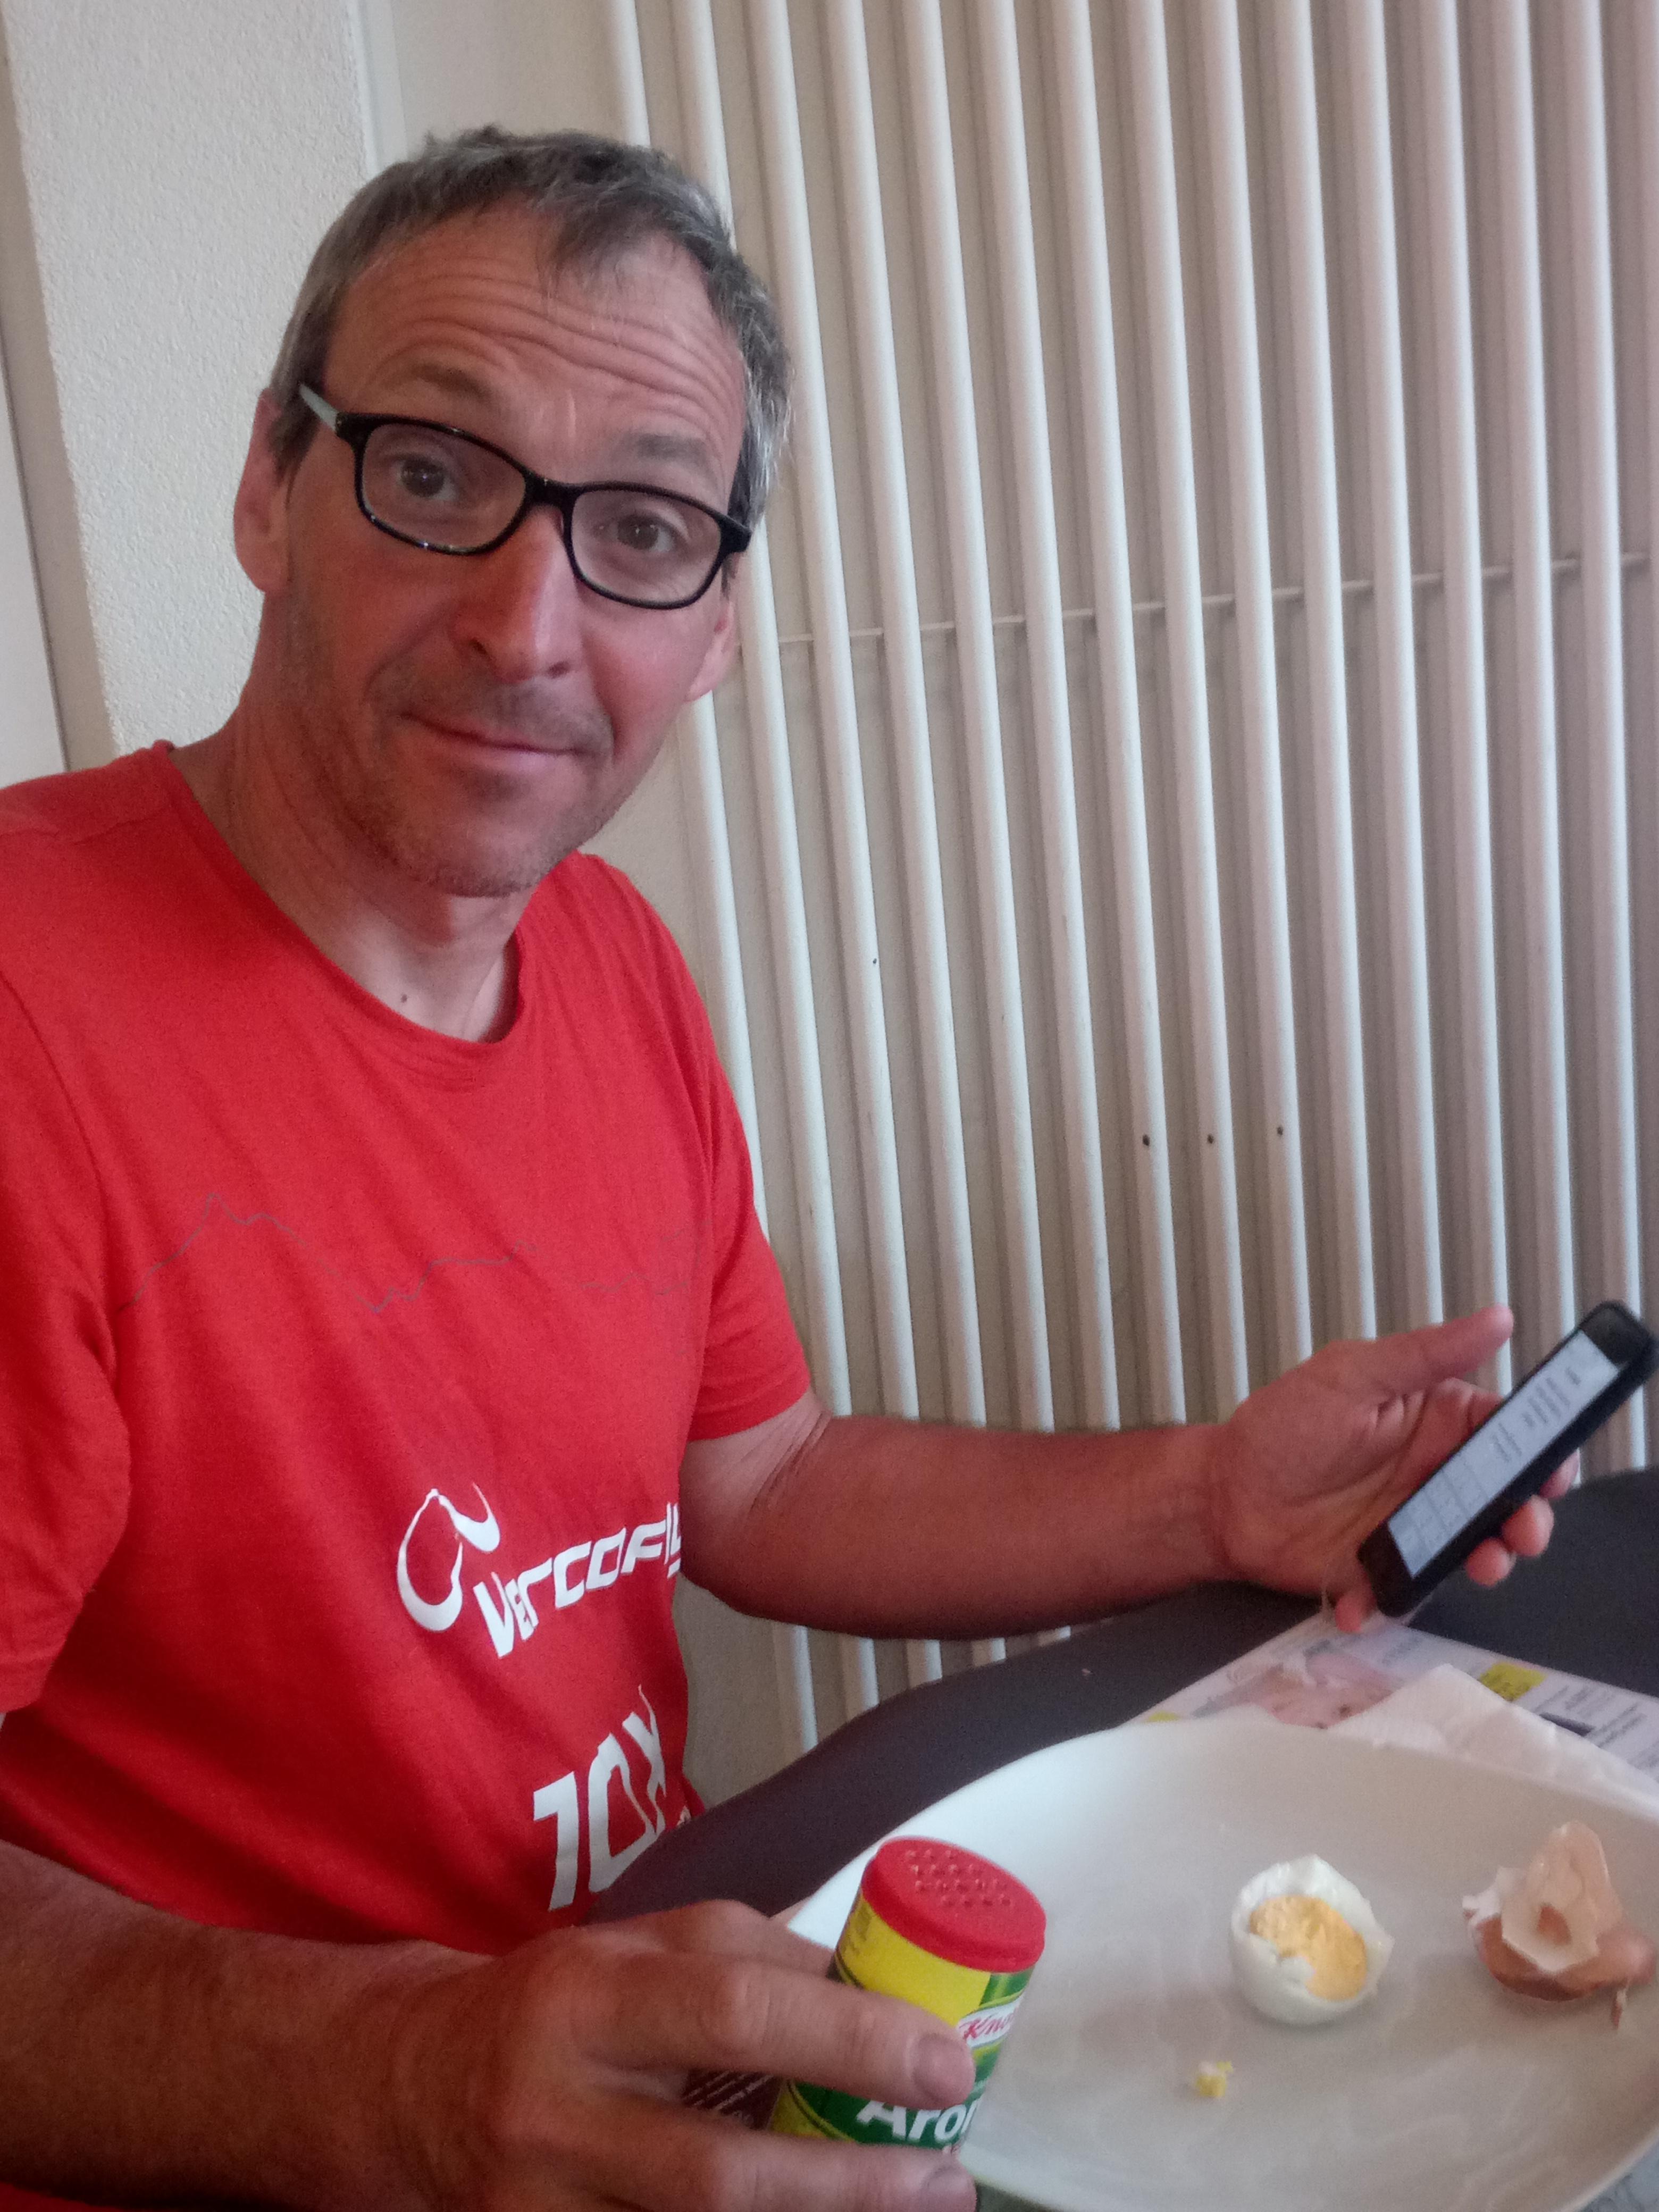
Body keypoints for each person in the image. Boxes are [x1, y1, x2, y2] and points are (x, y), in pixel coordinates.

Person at [0, 128, 1564, 2212]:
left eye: (642, 528)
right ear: (269, 485)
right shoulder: (31, 1017)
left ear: (720, 618)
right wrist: (410, 2075)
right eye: (437, 476)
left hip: (645, 2054)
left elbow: (759, 1480)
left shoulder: (610, 961)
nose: (528, 626)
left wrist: (1209, 1495)